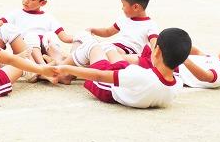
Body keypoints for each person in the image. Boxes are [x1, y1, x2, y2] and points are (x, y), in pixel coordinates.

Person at [55, 28, 192, 108]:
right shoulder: (177, 83)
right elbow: (132, 75)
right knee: (108, 48)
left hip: (107, 88)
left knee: (92, 46)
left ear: (156, 52)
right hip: (134, 84)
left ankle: (61, 70)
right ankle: (64, 58)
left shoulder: (141, 76)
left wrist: (67, 69)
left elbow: (98, 76)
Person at [0, 0, 73, 70]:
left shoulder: (49, 18)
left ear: (43, 3)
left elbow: (64, 37)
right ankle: (42, 68)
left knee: (50, 37)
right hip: (26, 52)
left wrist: (81, 38)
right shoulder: (16, 13)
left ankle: (48, 65)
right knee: (29, 37)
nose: (26, 1)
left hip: (43, 54)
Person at [87, 0, 158, 55]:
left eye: (123, 5)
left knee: (102, 48)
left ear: (135, 7)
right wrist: (93, 30)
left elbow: (154, 44)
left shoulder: (150, 25)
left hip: (129, 52)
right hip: (114, 47)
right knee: (89, 45)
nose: (122, 8)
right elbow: (108, 31)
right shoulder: (123, 19)